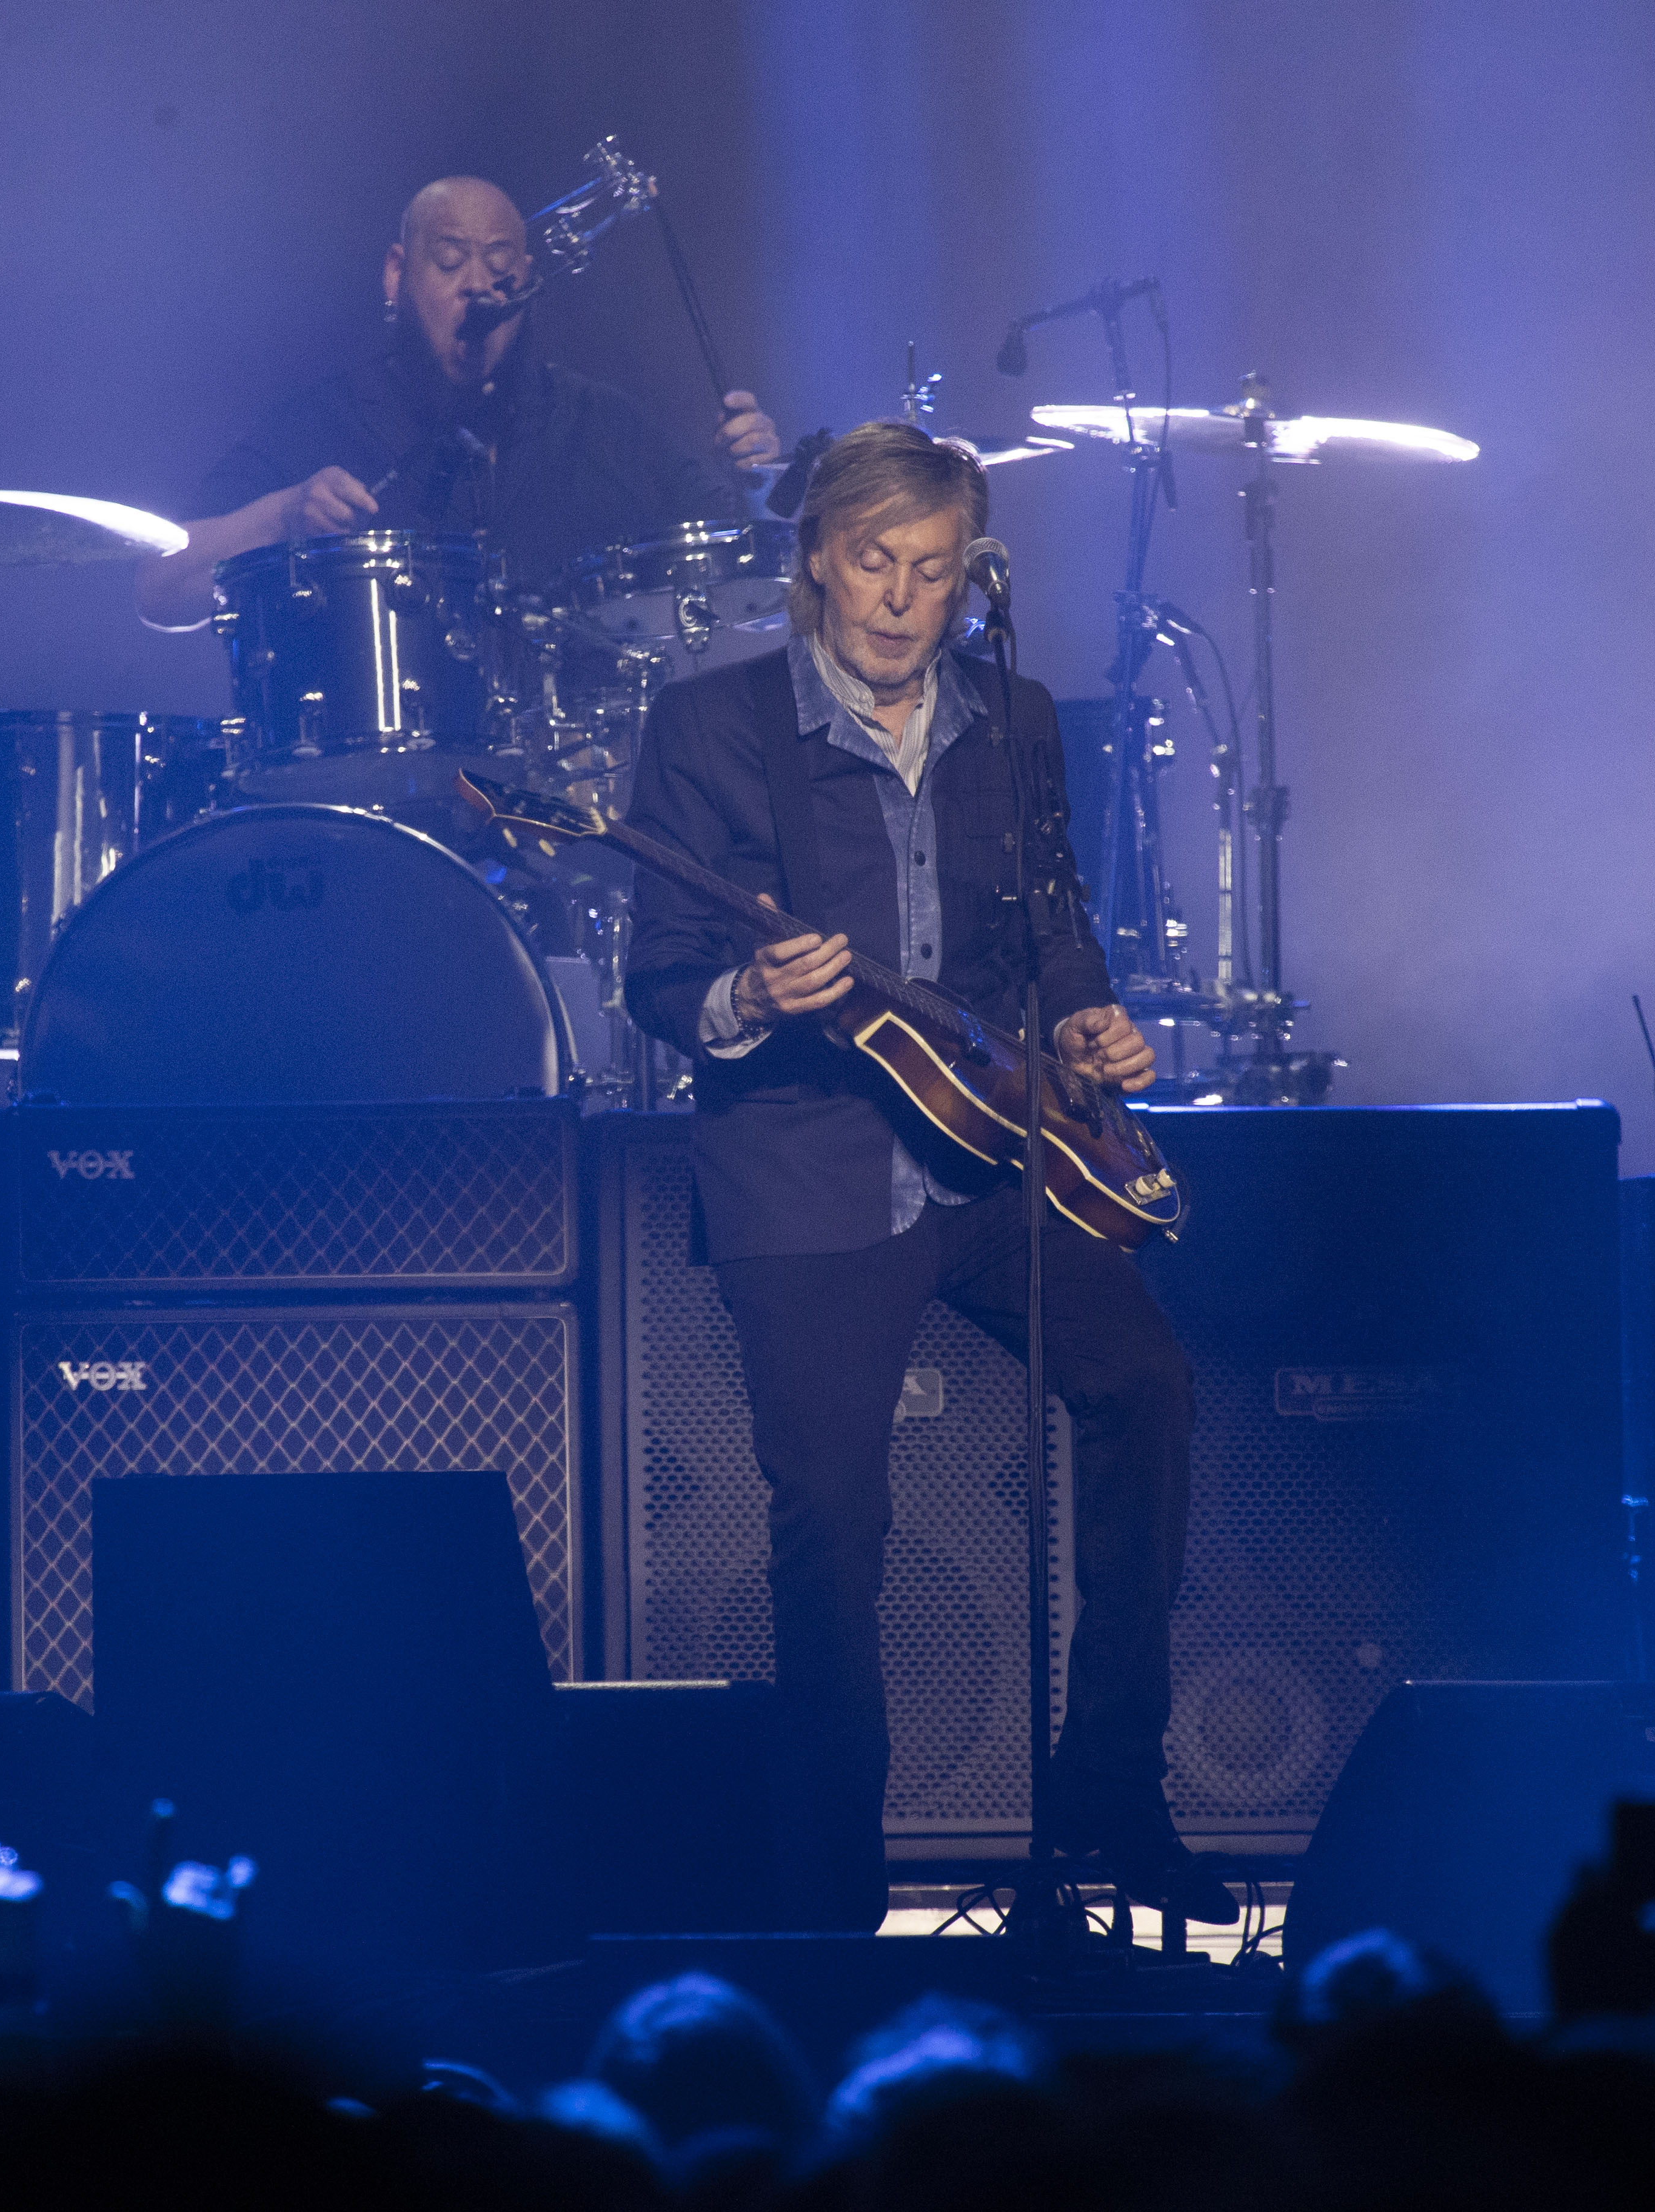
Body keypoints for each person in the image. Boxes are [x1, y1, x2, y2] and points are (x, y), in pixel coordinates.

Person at [618, 420, 1217, 1930]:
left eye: (933, 574)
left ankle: (1109, 1793)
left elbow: (1052, 920)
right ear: (817, 559)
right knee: (832, 1518)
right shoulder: (714, 726)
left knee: (1144, 1387)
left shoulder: (1011, 716)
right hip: (807, 1173)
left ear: (969, 581)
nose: (900, 600)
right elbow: (661, 977)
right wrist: (752, 1000)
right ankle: (832, 1881)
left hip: (1000, 1154)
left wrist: (1086, 1017)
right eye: (875, 563)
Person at [136, 174, 781, 629]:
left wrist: (756, 483)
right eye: (449, 262)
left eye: (501, 271)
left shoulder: (596, 421)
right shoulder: (324, 421)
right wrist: (283, 516)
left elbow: (755, 602)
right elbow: (160, 591)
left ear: (526, 285)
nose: (478, 287)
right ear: (397, 273)